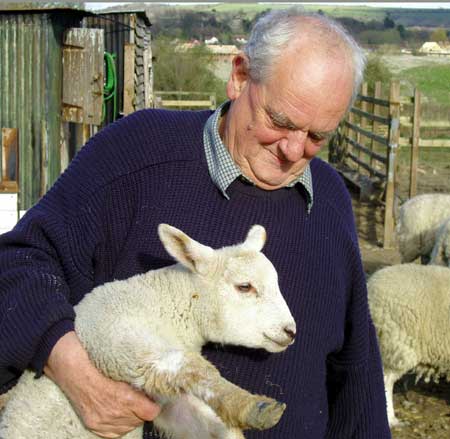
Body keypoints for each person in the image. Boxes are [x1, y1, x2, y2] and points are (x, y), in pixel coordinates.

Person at [0, 7, 391, 439]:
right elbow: (18, 265)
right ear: (240, 76)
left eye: (318, 136)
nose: (294, 151)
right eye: (280, 121)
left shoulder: (331, 199)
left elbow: (355, 368)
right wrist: (77, 375)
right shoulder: (137, 152)